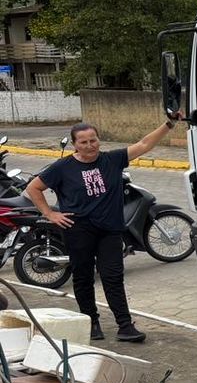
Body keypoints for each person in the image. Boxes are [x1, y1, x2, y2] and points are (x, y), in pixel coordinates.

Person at [25, 115, 182, 343]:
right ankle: (91, 322)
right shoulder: (62, 167)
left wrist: (169, 124)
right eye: (83, 142)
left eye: (93, 140)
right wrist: (50, 213)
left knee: (113, 276)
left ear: (99, 140)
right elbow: (34, 187)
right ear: (74, 144)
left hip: (109, 230)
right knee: (83, 277)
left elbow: (144, 144)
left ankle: (125, 326)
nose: (90, 146)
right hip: (78, 230)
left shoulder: (113, 160)